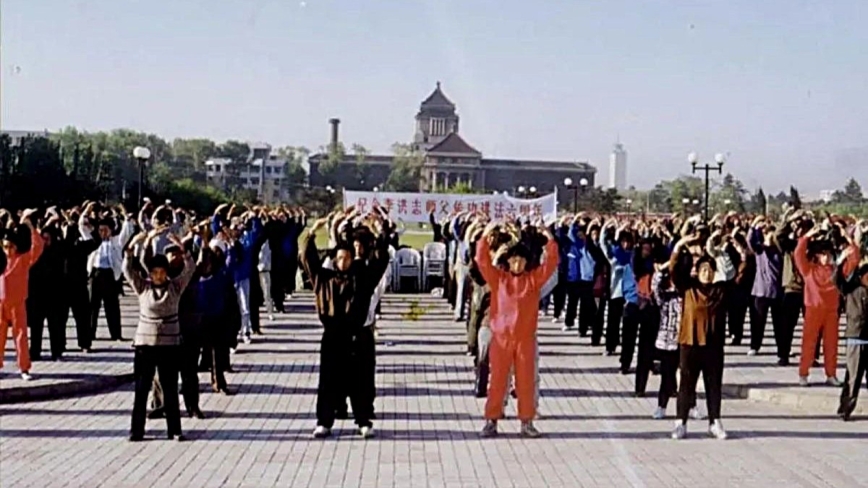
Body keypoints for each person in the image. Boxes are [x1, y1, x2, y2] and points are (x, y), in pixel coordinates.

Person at [302, 214, 390, 439]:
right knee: (328, 382)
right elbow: (308, 260)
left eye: (347, 258)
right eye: (340, 258)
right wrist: (311, 233)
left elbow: (380, 262)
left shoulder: (361, 280)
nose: (343, 262)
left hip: (356, 337)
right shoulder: (324, 280)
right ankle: (324, 422)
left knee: (360, 382)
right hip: (333, 337)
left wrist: (379, 234)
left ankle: (363, 421)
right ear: (334, 259)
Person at [476, 220, 557, 438]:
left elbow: (551, 263)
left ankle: (526, 422)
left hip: (525, 340)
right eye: (514, 260)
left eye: (521, 260)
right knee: (497, 381)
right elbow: (482, 261)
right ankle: (491, 420)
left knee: (525, 382)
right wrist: (485, 234)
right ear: (509, 262)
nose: (518, 264)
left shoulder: (533, 280)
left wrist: (549, 238)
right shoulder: (499, 280)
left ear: (526, 262)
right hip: (501, 339)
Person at [669, 230, 745, 440]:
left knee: (713, 385)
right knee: (686, 385)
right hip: (690, 343)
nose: (707, 273)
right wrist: (680, 245)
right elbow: (674, 270)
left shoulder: (720, 290)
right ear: (697, 271)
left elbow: (739, 276)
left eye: (710, 270)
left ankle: (715, 422)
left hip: (713, 345)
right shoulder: (688, 288)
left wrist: (738, 253)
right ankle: (680, 422)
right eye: (703, 270)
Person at [124, 230, 195, 442]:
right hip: (145, 345)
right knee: (141, 389)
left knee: (170, 389)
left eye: (162, 272)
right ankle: (137, 431)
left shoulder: (175, 287)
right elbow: (127, 270)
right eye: (154, 272)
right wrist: (133, 245)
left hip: (169, 345)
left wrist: (182, 247)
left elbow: (190, 269)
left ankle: (174, 429)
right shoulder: (142, 287)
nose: (158, 276)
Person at [794, 225, 842, 387]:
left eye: (828, 254)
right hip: (813, 310)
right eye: (823, 254)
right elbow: (798, 254)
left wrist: (849, 240)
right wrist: (807, 236)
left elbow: (852, 260)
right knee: (809, 343)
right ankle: (803, 373)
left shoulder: (835, 270)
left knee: (831, 344)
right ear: (816, 255)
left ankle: (831, 374)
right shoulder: (809, 269)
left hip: (831, 311)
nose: (826, 257)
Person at [80, 202, 136, 343]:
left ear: (111, 230)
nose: (103, 233)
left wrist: (124, 214)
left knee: (112, 306)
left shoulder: (116, 241)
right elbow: (82, 226)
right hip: (95, 274)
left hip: (110, 275)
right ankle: (90, 334)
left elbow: (127, 231)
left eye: (105, 230)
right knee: (92, 306)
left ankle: (116, 334)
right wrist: (87, 210)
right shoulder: (93, 241)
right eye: (100, 230)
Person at [0, 209, 44, 380]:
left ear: (16, 246)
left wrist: (30, 227)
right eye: (5, 247)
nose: (8, 250)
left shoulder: (22, 260)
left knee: (20, 336)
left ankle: (24, 369)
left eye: (10, 247)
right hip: (0, 304)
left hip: (17, 303)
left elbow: (37, 248)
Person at [836, 233, 868, 421]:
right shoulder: (852, 284)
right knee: (853, 376)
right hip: (856, 335)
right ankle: (845, 408)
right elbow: (837, 281)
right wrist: (840, 260)